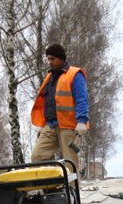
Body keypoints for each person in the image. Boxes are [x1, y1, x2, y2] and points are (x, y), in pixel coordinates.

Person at [30, 43, 89, 172]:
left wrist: (81, 121)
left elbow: (82, 99)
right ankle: (50, 182)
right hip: (50, 125)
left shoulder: (75, 74)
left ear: (61, 58)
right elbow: (47, 102)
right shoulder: (50, 77)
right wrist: (42, 124)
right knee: (37, 156)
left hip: (69, 127)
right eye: (48, 59)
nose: (50, 62)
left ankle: (72, 184)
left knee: (70, 162)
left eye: (53, 58)